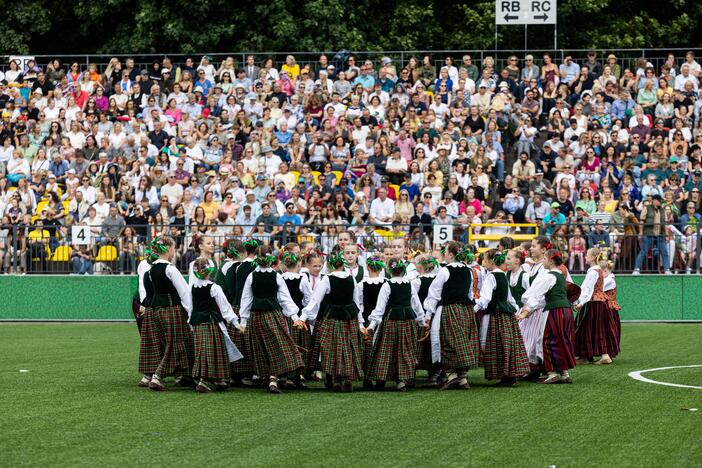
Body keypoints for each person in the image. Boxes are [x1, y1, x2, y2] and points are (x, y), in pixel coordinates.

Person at [238, 246, 306, 394]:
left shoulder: (259, 276)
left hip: (262, 316)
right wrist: (243, 321)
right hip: (269, 316)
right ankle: (271, 378)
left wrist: (295, 317)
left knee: (268, 347)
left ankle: (272, 378)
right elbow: (283, 299)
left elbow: (247, 299)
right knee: (274, 346)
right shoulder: (272, 276)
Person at [301, 251, 365, 392]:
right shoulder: (351, 278)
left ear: (329, 265)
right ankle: (347, 378)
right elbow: (356, 302)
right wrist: (360, 322)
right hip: (350, 318)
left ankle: (336, 379)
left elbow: (315, 300)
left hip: (332, 317)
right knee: (348, 347)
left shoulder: (327, 279)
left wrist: (302, 317)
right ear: (343, 264)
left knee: (332, 348)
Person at [423, 241, 480, 390]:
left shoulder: (445, 270)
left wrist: (428, 314)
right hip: (466, 310)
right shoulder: (468, 270)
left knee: (447, 342)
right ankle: (461, 378)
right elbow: (469, 293)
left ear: (450, 254)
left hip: (450, 309)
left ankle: (453, 376)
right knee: (462, 341)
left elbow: (434, 293)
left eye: (445, 252)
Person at [364, 258, 426, 392]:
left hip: (392, 320)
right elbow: (416, 304)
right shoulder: (408, 284)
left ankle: (382, 379)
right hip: (408, 320)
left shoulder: (387, 285)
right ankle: (402, 380)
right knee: (405, 349)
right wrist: (421, 321)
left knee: (386, 350)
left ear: (388, 269)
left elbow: (379, 308)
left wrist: (372, 325)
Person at [518, 248, 577, 384]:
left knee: (548, 340)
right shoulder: (560, 276)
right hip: (566, 311)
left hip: (554, 311)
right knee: (562, 340)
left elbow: (537, 295)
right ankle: (564, 372)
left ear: (551, 261)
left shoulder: (549, 276)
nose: (542, 261)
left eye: (544, 258)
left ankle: (551, 373)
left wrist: (526, 312)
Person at [474, 250, 530, 386]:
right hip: (507, 314)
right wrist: (516, 310)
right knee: (506, 344)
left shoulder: (491, 276)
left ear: (491, 262)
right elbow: (509, 298)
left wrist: (474, 310)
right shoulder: (504, 275)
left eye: (485, 260)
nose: (483, 263)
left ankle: (503, 374)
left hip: (495, 314)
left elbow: (486, 298)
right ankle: (508, 373)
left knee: (492, 343)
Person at [146, 235, 194, 391]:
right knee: (175, 343)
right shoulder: (170, 269)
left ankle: (184, 375)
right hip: (172, 309)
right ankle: (157, 376)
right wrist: (190, 312)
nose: (174, 251)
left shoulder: (152, 269)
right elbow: (184, 292)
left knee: (173, 342)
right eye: (173, 248)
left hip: (158, 311)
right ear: (168, 249)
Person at [189, 258, 243, 393]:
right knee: (211, 351)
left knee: (202, 350)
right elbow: (225, 308)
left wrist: (190, 323)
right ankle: (204, 380)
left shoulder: (192, 288)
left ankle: (216, 379)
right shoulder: (214, 287)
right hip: (211, 324)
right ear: (210, 271)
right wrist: (237, 324)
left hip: (197, 324)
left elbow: (190, 308)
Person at [573, 248, 620, 365]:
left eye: (587, 255)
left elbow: (587, 290)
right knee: (593, 328)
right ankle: (586, 355)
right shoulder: (598, 270)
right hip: (599, 302)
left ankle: (602, 355)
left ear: (593, 257)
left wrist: (580, 302)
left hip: (594, 303)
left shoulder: (593, 272)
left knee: (590, 328)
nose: (585, 257)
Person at [280, 251, 313, 388]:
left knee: (287, 346)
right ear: (299, 264)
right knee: (300, 346)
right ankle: (297, 376)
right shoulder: (303, 278)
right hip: (299, 317)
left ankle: (287, 376)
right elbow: (309, 299)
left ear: (284, 264)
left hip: (283, 316)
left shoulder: (280, 277)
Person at [357, 257, 387, 390]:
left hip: (368, 318)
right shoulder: (387, 283)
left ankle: (368, 378)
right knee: (382, 348)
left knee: (368, 350)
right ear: (381, 269)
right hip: (384, 319)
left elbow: (358, 303)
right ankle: (381, 378)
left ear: (367, 268)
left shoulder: (361, 284)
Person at [412, 254, 441, 386]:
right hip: (434, 315)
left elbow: (414, 300)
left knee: (419, 344)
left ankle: (412, 373)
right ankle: (434, 372)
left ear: (420, 266)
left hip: (421, 316)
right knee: (432, 344)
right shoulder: (437, 279)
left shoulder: (417, 281)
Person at [135, 246, 160, 387]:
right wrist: (145, 303)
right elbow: (143, 286)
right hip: (146, 303)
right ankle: (149, 372)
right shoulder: (145, 264)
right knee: (149, 337)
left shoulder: (166, 263)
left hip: (156, 302)